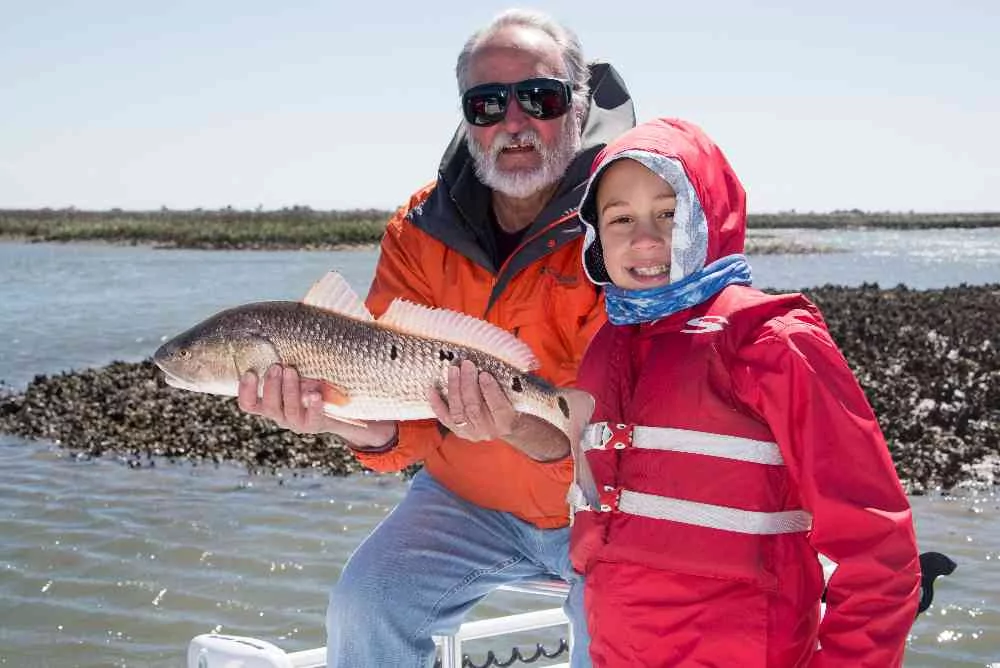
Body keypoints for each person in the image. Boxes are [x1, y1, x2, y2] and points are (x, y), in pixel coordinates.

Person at [237, 9, 636, 667]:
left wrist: (513, 425)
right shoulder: (418, 228)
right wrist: (339, 419)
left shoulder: (623, 220)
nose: (512, 121)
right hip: (465, 499)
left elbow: (626, 432)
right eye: (486, 104)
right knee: (366, 604)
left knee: (619, 633)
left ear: (578, 106)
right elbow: (403, 425)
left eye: (539, 97)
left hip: (609, 509)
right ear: (466, 119)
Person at [566, 117, 921, 666]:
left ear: (712, 216)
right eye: (620, 218)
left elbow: (879, 550)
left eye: (669, 212)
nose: (644, 239)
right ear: (594, 239)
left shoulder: (773, 344)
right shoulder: (603, 349)